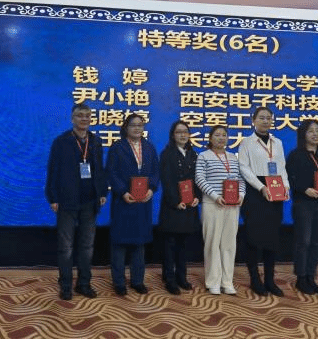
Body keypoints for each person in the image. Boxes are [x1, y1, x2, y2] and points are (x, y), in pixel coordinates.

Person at [45, 103, 108, 300]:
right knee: (66, 247)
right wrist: (52, 197)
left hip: (90, 200)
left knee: (87, 246)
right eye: (80, 115)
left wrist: (102, 191)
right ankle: (65, 285)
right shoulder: (61, 142)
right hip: (67, 201)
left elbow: (99, 170)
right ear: (72, 119)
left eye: (87, 116)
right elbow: (52, 170)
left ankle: (83, 284)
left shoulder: (96, 141)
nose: (84, 119)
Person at [238, 107, 290, 297]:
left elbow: (282, 167)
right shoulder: (246, 143)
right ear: (253, 120)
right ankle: (255, 279)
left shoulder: (278, 142)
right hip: (255, 192)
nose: (266, 121)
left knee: (272, 239)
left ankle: (270, 280)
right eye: (261, 118)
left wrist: (285, 186)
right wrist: (261, 187)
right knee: (254, 238)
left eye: (269, 118)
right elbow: (244, 168)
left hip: (275, 190)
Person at [106, 113, 159, 296]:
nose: (137, 128)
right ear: (126, 128)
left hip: (143, 203)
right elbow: (111, 172)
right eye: (133, 125)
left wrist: (152, 189)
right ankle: (119, 282)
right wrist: (122, 191)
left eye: (140, 125)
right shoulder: (117, 147)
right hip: (123, 201)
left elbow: (155, 172)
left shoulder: (149, 147)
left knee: (139, 244)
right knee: (119, 244)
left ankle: (137, 281)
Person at [286, 119, 318, 295]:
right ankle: (301, 278)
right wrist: (304, 189)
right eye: (311, 131)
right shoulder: (295, 155)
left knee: (317, 242)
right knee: (304, 242)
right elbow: (289, 179)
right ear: (303, 134)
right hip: (304, 203)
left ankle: (310, 276)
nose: (315, 134)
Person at [195, 125, 245, 295]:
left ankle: (227, 281)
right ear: (210, 138)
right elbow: (199, 179)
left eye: (224, 135)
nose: (221, 138)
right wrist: (215, 196)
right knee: (212, 244)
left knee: (229, 244)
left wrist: (241, 195)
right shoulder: (203, 156)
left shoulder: (233, 157)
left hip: (232, 206)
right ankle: (213, 281)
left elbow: (241, 179)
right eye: (217, 135)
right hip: (213, 205)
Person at [158, 121, 201, 295]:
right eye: (179, 132)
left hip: (190, 205)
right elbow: (166, 180)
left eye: (185, 132)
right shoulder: (167, 154)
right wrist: (175, 201)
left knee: (183, 244)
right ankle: (169, 279)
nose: (183, 135)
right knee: (170, 244)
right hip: (173, 206)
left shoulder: (193, 154)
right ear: (173, 135)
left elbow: (198, 178)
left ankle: (181, 277)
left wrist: (197, 197)